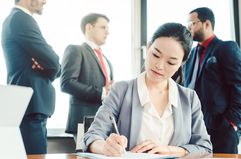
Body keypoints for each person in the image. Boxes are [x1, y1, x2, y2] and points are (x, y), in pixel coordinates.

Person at [82, 23, 212, 157]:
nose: (159, 66)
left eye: (171, 62)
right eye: (156, 55)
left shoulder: (189, 98)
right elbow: (92, 136)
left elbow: (204, 147)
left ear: (181, 63)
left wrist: (170, 150)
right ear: (149, 47)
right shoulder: (121, 91)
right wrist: (105, 147)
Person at [1, 0, 61, 155]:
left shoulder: (13, 19)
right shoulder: (21, 19)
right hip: (32, 105)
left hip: (29, 104)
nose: (45, 2)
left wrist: (51, 65)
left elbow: (52, 63)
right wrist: (51, 66)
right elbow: (53, 62)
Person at [183, 7, 241, 153]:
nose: (188, 28)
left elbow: (238, 86)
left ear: (206, 24)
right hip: (193, 129)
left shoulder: (226, 48)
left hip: (221, 128)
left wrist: (232, 122)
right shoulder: (190, 55)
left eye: (192, 23)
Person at [60, 13, 113, 139]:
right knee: (83, 158)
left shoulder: (106, 60)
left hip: (103, 123)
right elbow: (66, 83)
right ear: (89, 27)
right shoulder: (75, 50)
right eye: (103, 27)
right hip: (83, 121)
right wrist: (101, 92)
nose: (108, 32)